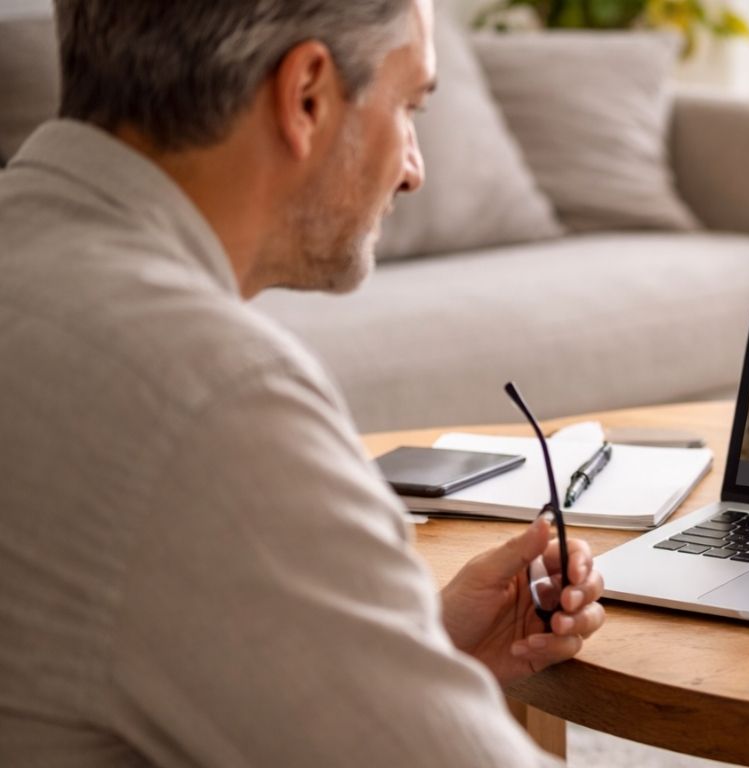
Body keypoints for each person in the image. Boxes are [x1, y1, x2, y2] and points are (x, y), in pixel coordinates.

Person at [0, 1, 603, 765]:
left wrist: (407, 653)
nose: (413, 170)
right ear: (308, 95)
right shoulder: (215, 400)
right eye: (409, 106)